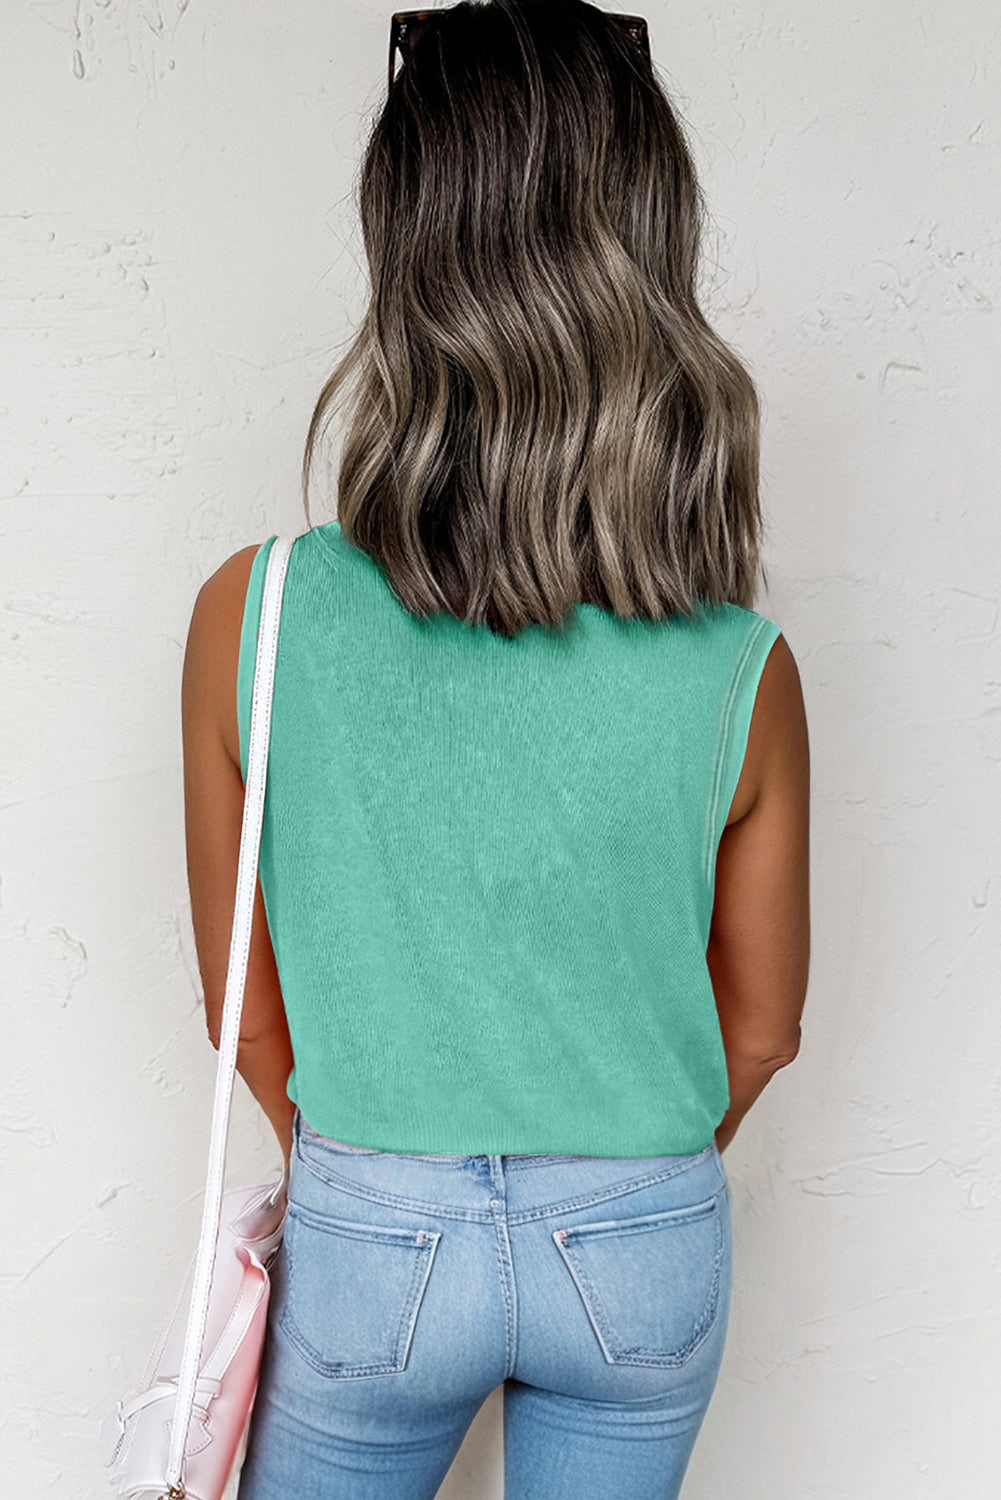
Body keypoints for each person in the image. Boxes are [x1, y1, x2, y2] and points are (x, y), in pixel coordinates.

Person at [180, 3, 809, 1495]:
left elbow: (241, 1013)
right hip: (643, 1235)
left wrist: (387, 1187)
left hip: (372, 1231)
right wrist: (611, 1179)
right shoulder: (742, 664)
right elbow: (764, 1028)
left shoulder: (255, 616)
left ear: (404, 255)